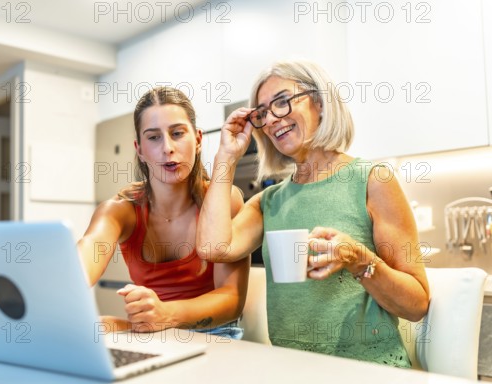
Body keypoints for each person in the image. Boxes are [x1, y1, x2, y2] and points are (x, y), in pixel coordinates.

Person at [197, 60, 430, 366]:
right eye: (263, 112)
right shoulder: (269, 202)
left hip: (369, 372)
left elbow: (417, 304)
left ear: (320, 103)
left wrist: (359, 260)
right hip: (293, 371)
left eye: (282, 102)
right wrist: (225, 156)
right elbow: (211, 247)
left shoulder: (372, 180)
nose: (271, 120)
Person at [78, 86, 249, 339]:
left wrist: (164, 314)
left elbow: (231, 298)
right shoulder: (119, 210)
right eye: (153, 137)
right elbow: (85, 256)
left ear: (198, 139)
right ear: (139, 149)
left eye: (177, 133)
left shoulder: (225, 200)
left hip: (215, 334)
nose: (167, 147)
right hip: (153, 334)